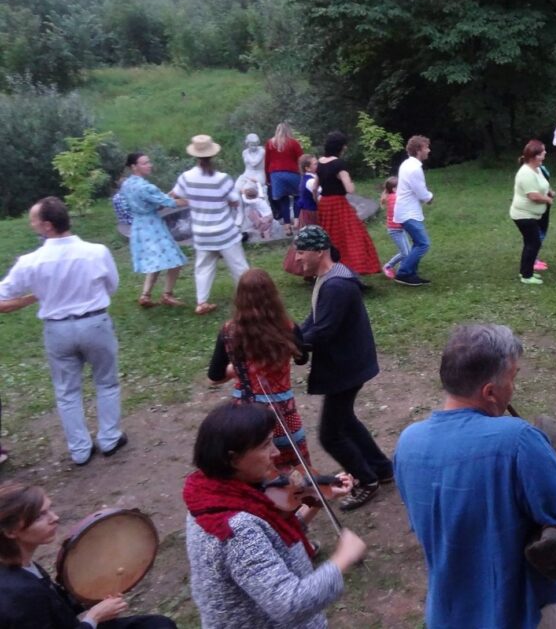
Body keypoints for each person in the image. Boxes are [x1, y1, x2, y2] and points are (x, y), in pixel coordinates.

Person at [394, 323, 556, 628]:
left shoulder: (408, 443)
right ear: (489, 392)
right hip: (521, 614)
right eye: (513, 378)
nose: (513, 388)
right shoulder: (516, 441)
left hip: (448, 616)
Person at [183, 402, 366, 629]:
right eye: (265, 445)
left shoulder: (209, 495)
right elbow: (289, 605)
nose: (276, 453)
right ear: (233, 459)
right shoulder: (236, 530)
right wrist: (342, 559)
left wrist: (318, 499)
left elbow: (273, 538)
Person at [0, 197, 126, 466]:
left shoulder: (30, 261)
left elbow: (3, 295)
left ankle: (80, 449)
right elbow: (112, 286)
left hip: (57, 329)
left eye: (34, 220)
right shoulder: (96, 252)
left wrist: (32, 297)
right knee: (106, 381)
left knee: (67, 391)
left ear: (47, 225)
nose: (31, 224)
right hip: (95, 322)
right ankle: (109, 438)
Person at [292, 226, 392, 510]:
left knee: (330, 435)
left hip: (346, 369)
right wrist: (294, 337)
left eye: (301, 252)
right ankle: (382, 469)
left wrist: (294, 344)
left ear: (320, 251)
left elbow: (323, 331)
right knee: (345, 420)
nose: (297, 258)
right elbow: (314, 320)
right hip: (349, 364)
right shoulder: (328, 278)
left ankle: (367, 480)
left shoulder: (337, 285)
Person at [0, 482, 177, 629]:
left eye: (50, 509)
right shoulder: (20, 595)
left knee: (158, 625)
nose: (55, 518)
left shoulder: (21, 564)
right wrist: (93, 618)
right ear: (11, 531)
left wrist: (91, 595)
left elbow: (54, 607)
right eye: (40, 516)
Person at [208, 268, 311, 470]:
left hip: (245, 410)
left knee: (253, 462)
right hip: (283, 410)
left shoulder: (229, 331)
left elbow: (215, 375)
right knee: (295, 465)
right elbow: (302, 359)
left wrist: (236, 370)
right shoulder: (288, 327)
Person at [170, 134, 249, 316]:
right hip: (224, 231)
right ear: (213, 155)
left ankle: (202, 302)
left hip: (201, 232)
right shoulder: (222, 178)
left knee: (203, 268)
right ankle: (248, 298)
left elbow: (176, 195)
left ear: (194, 155)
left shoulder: (186, 177)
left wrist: (194, 200)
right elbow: (235, 201)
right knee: (238, 265)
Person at [119, 153, 188, 308]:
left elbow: (153, 201)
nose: (149, 165)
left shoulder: (127, 184)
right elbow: (170, 203)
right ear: (134, 167)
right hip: (152, 226)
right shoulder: (146, 187)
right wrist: (196, 200)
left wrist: (166, 196)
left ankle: (145, 295)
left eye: (149, 162)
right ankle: (167, 295)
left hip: (138, 225)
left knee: (155, 261)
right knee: (174, 259)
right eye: (144, 163)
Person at [312, 131, 381, 277]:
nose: (345, 148)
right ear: (340, 147)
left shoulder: (320, 162)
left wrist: (317, 203)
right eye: (344, 145)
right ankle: (352, 267)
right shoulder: (339, 164)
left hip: (324, 204)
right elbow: (350, 189)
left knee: (328, 237)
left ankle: (327, 267)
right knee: (351, 235)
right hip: (338, 204)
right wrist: (350, 182)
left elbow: (314, 188)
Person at [510, 139, 555, 285]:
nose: (545, 153)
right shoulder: (525, 173)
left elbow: (541, 185)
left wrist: (549, 191)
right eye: (542, 151)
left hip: (532, 215)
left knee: (531, 243)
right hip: (523, 215)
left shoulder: (537, 168)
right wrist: (547, 199)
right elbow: (533, 196)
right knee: (533, 243)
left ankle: (526, 271)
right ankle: (526, 276)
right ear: (535, 156)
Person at [394, 135, 434, 286]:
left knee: (418, 243)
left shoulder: (407, 164)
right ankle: (403, 273)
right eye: (426, 147)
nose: (428, 150)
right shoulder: (414, 168)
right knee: (423, 244)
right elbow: (421, 192)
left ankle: (411, 274)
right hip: (408, 213)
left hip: (405, 211)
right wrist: (430, 197)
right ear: (418, 150)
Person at [283, 154, 320, 279]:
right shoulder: (310, 181)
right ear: (307, 168)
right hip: (311, 213)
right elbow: (319, 194)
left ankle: (310, 270)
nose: (318, 165)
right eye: (315, 164)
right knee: (311, 241)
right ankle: (308, 269)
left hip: (307, 212)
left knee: (307, 240)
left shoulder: (309, 178)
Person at [264, 123, 304, 234]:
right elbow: (301, 159)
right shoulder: (294, 143)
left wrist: (267, 178)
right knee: (298, 196)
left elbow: (267, 162)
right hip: (292, 173)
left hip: (275, 175)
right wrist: (304, 174)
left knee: (283, 199)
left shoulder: (270, 143)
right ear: (289, 131)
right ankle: (296, 220)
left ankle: (287, 226)